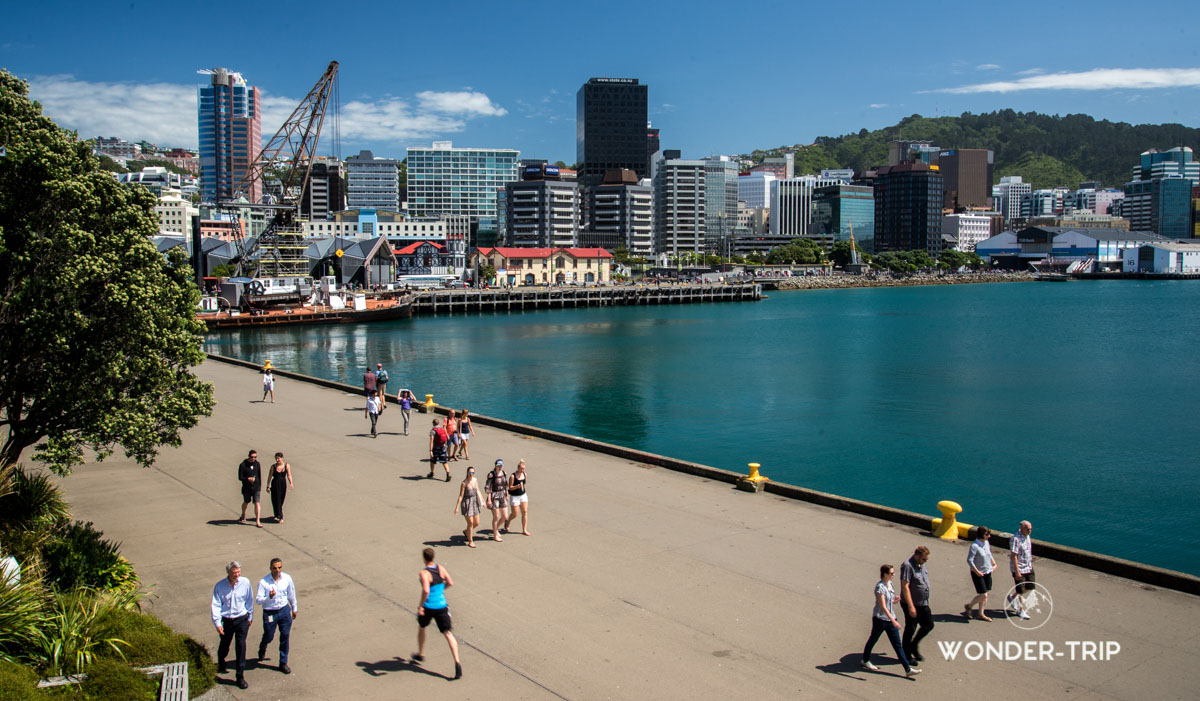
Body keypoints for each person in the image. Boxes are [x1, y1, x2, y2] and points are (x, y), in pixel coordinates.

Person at [860, 564, 920, 677]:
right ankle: (865, 659)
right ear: (885, 574)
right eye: (891, 573)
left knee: (897, 645)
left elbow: (889, 602)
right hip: (880, 619)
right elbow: (883, 606)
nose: (894, 575)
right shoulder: (880, 588)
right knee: (873, 639)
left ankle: (907, 669)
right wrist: (893, 621)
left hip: (890, 618)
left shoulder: (890, 584)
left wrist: (894, 600)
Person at [412, 548, 462, 680]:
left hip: (428, 607)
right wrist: (441, 591)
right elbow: (450, 583)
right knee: (448, 633)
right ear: (433, 557)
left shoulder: (424, 573)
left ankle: (421, 653)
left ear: (424, 558)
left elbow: (426, 590)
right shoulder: (441, 568)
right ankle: (457, 662)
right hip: (441, 606)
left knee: (422, 627)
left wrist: (421, 606)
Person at [212, 560, 255, 689]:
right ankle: (221, 660)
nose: (236, 575)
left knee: (241, 646)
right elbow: (216, 605)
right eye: (234, 573)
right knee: (225, 644)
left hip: (242, 619)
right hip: (227, 620)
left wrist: (250, 616)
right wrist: (217, 623)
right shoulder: (220, 586)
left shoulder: (245, 582)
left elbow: (249, 599)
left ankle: (240, 676)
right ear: (228, 572)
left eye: (238, 572)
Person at [256, 557, 298, 674]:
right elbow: (258, 601)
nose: (277, 570)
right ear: (270, 568)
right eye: (275, 568)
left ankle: (283, 662)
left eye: (279, 567)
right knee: (269, 635)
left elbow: (291, 594)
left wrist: (294, 608)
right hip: (270, 612)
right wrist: (268, 597)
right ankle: (263, 646)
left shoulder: (287, 579)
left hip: (284, 611)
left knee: (285, 636)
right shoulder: (264, 582)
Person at [900, 546, 934, 663]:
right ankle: (906, 655)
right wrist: (910, 606)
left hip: (923, 603)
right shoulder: (908, 566)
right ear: (917, 556)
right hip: (912, 603)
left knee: (928, 625)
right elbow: (905, 587)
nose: (925, 562)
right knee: (910, 628)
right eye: (924, 559)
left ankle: (914, 645)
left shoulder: (922, 564)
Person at [964, 526, 997, 621]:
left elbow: (989, 554)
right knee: (983, 594)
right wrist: (977, 571)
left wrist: (994, 563)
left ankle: (981, 613)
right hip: (977, 573)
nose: (989, 536)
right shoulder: (974, 546)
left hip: (987, 571)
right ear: (981, 534)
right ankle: (969, 606)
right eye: (987, 534)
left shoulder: (986, 543)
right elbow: (969, 560)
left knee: (986, 593)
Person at [1006, 520, 1035, 620]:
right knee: (1021, 591)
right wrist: (1017, 571)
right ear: (1022, 528)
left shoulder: (1027, 536)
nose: (1030, 531)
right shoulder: (1016, 539)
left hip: (1028, 566)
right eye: (1028, 529)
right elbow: (1013, 556)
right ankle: (1020, 610)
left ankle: (1012, 597)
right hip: (1019, 568)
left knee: (1030, 586)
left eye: (1031, 529)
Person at [452, 467, 482, 548]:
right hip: (467, 503)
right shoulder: (464, 483)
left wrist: (483, 501)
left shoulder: (475, 480)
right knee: (471, 523)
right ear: (467, 473)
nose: (471, 474)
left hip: (474, 502)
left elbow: (478, 490)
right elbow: (461, 496)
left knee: (477, 522)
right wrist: (457, 507)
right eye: (470, 473)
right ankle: (470, 541)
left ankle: (466, 531)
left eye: (473, 473)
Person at [485, 459, 509, 541]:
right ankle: (495, 535)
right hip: (494, 496)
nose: (500, 467)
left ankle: (495, 529)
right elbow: (488, 487)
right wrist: (489, 500)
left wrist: (507, 494)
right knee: (496, 516)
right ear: (495, 465)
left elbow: (506, 485)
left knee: (505, 516)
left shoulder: (504, 473)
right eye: (498, 465)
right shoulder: (492, 475)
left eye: (501, 465)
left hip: (502, 494)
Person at [503, 459, 530, 536]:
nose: (522, 470)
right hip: (514, 496)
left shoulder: (525, 475)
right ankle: (508, 521)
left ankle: (524, 529)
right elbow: (510, 487)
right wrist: (517, 486)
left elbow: (524, 484)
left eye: (523, 468)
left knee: (524, 512)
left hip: (523, 495)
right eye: (521, 468)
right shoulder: (513, 476)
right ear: (518, 468)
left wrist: (522, 489)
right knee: (515, 513)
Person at [266, 452, 294, 524]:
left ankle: (278, 514)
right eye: (276, 458)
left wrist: (291, 483)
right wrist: (268, 485)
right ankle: (280, 516)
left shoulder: (287, 465)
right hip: (275, 484)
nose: (277, 460)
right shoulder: (273, 467)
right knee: (276, 499)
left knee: (281, 499)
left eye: (278, 458)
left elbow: (289, 475)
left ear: (282, 458)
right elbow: (270, 476)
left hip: (282, 484)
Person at [238, 450, 263, 528]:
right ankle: (243, 514)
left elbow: (259, 475)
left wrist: (259, 486)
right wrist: (248, 479)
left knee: (257, 503)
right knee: (246, 501)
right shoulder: (243, 465)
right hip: (247, 487)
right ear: (248, 456)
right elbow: (240, 477)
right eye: (252, 457)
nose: (253, 459)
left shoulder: (257, 464)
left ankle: (257, 521)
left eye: (255, 457)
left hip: (256, 487)